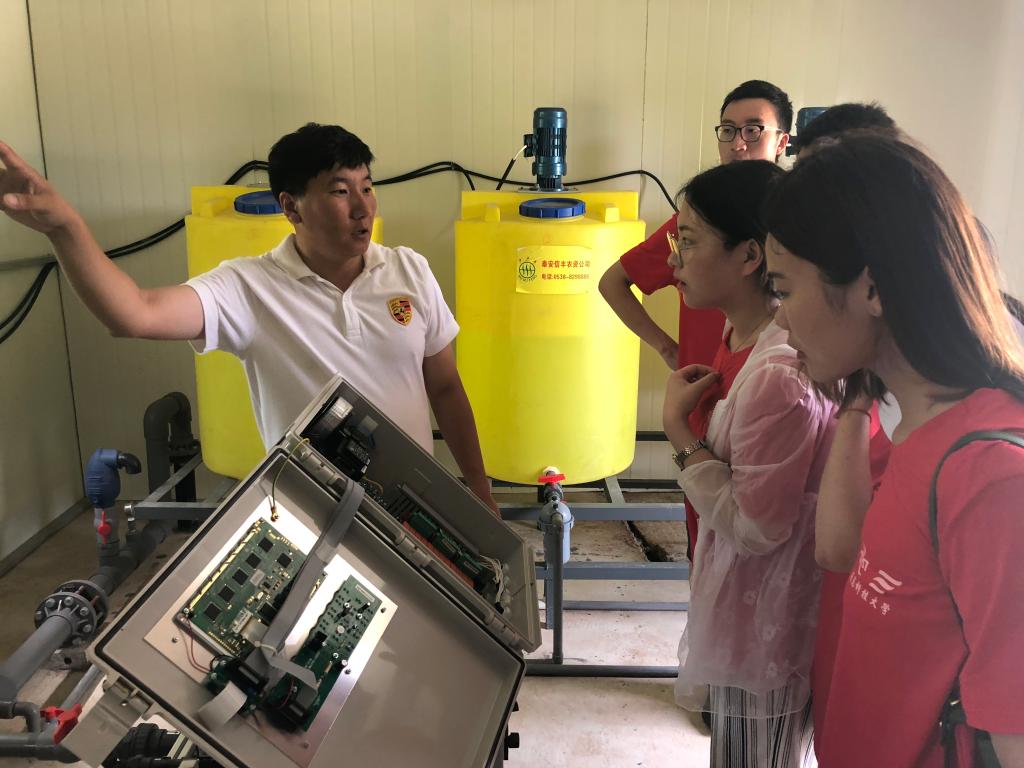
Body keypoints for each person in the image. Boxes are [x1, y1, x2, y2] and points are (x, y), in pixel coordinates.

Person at [0, 124, 499, 514]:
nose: (362, 208)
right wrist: (64, 228)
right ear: (292, 207)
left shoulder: (409, 271)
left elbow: (445, 386)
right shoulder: (248, 288)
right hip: (311, 516)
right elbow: (134, 314)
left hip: (410, 508)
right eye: (340, 191)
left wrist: (478, 490)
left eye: (367, 188)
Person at [764, 133, 1024, 767]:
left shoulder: (992, 478)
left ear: (873, 289)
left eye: (785, 289)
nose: (779, 319)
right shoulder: (917, 430)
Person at [661, 159, 833, 767]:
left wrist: (680, 433)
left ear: (750, 256)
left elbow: (758, 527)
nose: (673, 262)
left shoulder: (779, 375)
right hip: (741, 603)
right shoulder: (738, 336)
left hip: (768, 624)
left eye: (688, 242)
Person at [600, 78, 793, 559]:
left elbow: (756, 531)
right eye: (728, 130)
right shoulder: (697, 226)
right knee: (707, 544)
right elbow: (613, 282)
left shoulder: (781, 373)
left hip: (738, 413)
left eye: (754, 130)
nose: (739, 143)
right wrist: (669, 349)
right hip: (706, 403)